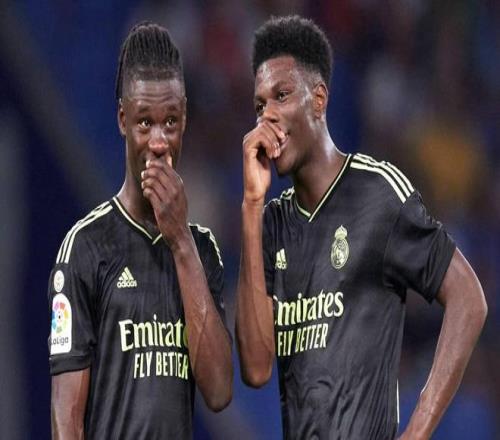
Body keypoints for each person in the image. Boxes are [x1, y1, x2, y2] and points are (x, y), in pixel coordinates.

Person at [235, 15, 487, 440]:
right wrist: (251, 207)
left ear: (318, 99)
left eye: (281, 96)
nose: (268, 117)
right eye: (260, 106)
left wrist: (417, 432)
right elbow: (257, 369)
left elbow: (468, 298)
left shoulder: (377, 192)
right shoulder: (270, 222)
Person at [48, 22, 232, 439]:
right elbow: (66, 415)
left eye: (170, 122)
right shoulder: (85, 248)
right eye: (144, 123)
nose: (159, 142)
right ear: (122, 120)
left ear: (185, 119)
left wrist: (180, 241)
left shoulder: (202, 250)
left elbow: (220, 390)